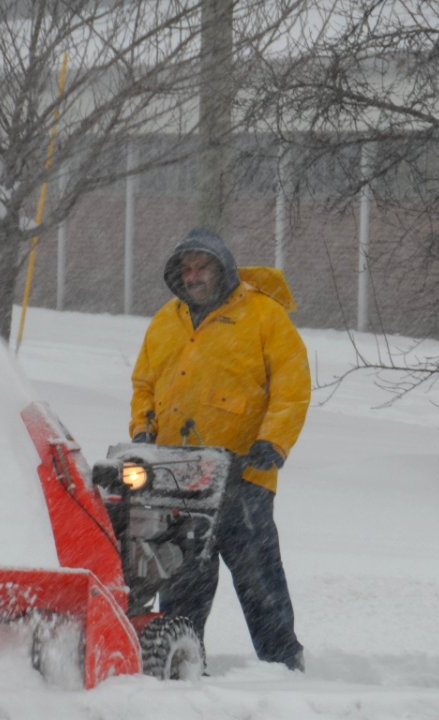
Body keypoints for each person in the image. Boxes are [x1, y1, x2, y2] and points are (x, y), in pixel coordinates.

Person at [129, 227, 311, 672]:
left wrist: (274, 441)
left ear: (224, 268)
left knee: (258, 578)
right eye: (186, 269)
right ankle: (180, 661)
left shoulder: (263, 316)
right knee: (182, 575)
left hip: (243, 475)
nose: (193, 277)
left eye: (202, 266)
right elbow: (144, 385)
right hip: (177, 477)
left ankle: (284, 665)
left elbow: (293, 386)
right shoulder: (165, 321)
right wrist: (143, 429)